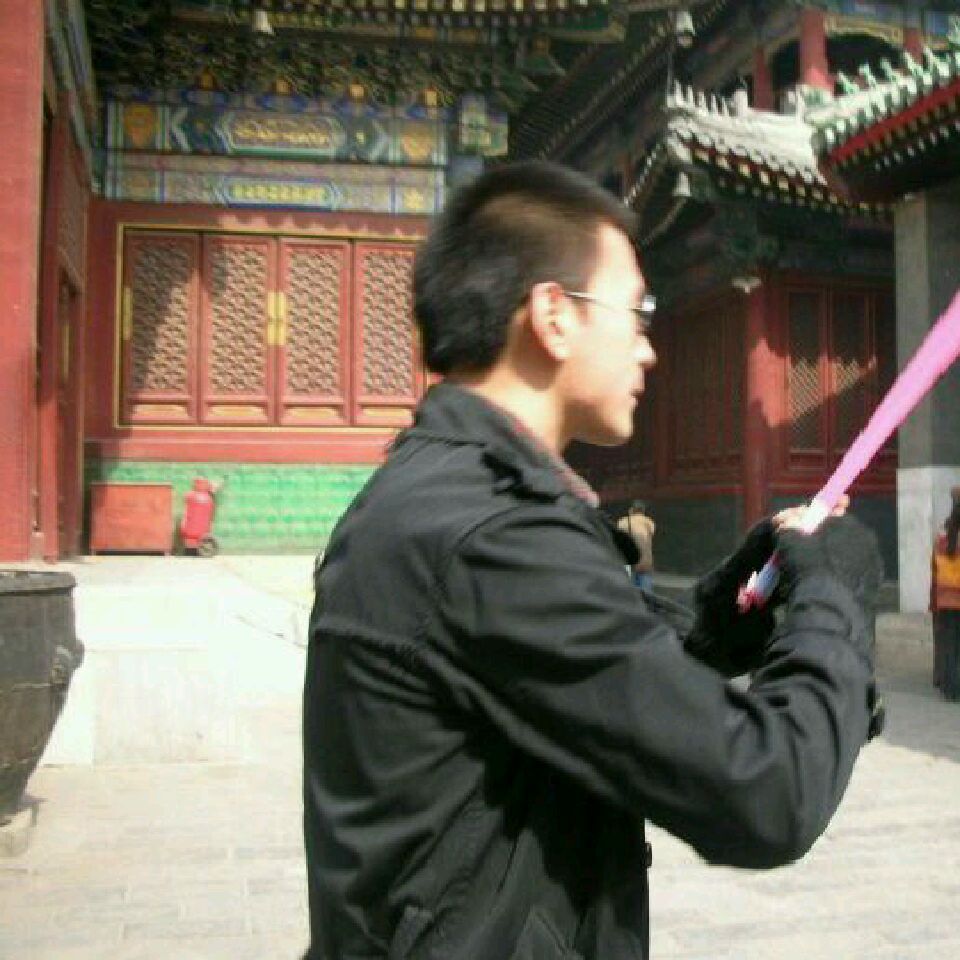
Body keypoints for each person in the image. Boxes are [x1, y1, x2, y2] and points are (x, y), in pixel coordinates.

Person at [302, 161, 884, 960]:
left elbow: (594, 669)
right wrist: (836, 597)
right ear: (554, 316)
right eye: (638, 314)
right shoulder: (493, 535)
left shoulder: (445, 497)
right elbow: (768, 790)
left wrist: (743, 601)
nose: (649, 350)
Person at [931, 486, 960, 699]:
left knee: (949, 645)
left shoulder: (942, 535)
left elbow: (934, 567)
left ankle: (949, 687)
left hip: (946, 599)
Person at [617, 499, 656, 589]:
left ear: (631, 510)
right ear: (643, 511)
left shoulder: (623, 521)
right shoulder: (649, 522)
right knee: (645, 589)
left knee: (627, 587)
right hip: (645, 560)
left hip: (628, 560)